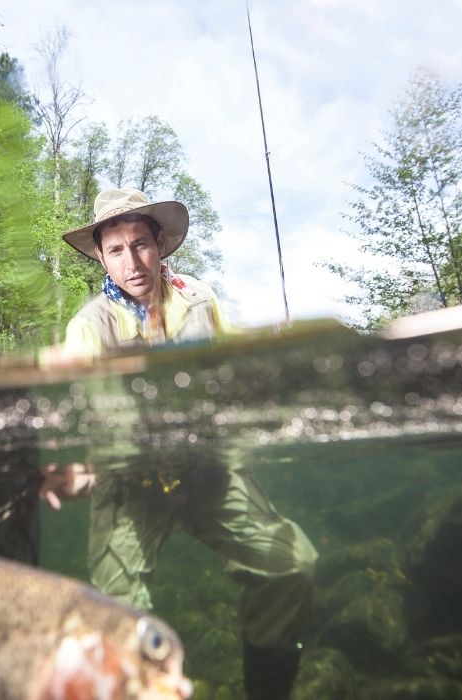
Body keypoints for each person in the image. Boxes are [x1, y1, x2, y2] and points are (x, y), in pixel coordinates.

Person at [42, 187, 318, 700]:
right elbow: (76, 408)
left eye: (140, 244)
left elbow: (236, 366)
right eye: (117, 250)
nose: (132, 261)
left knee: (292, 564)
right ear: (101, 256)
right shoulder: (88, 327)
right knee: (113, 616)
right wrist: (76, 464)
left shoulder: (201, 298)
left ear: (160, 242)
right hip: (129, 477)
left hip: (207, 467)